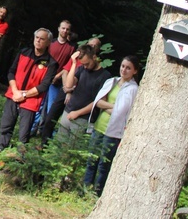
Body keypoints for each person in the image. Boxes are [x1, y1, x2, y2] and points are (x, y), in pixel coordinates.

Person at [83, 55, 140, 195]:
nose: (124, 70)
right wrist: (112, 106)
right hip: (99, 126)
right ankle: (85, 189)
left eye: (128, 68)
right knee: (91, 160)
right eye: (123, 66)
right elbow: (98, 102)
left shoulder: (133, 89)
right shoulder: (111, 81)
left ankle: (97, 192)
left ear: (135, 71)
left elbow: (122, 110)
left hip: (114, 132)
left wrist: (107, 106)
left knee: (104, 164)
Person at [0, 28, 58, 151]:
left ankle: (19, 158)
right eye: (37, 37)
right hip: (13, 94)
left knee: (24, 134)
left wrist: (24, 95)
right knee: (5, 126)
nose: (38, 41)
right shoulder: (23, 52)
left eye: (42, 39)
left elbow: (44, 86)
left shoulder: (51, 63)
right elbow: (11, 72)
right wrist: (15, 91)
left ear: (48, 43)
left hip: (31, 101)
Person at [53, 42, 111, 147]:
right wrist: (74, 64)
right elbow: (69, 84)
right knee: (59, 145)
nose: (85, 66)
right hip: (68, 111)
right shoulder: (81, 69)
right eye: (82, 64)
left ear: (94, 57)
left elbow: (97, 101)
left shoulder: (105, 76)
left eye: (87, 63)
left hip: (83, 118)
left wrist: (78, 113)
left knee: (72, 149)